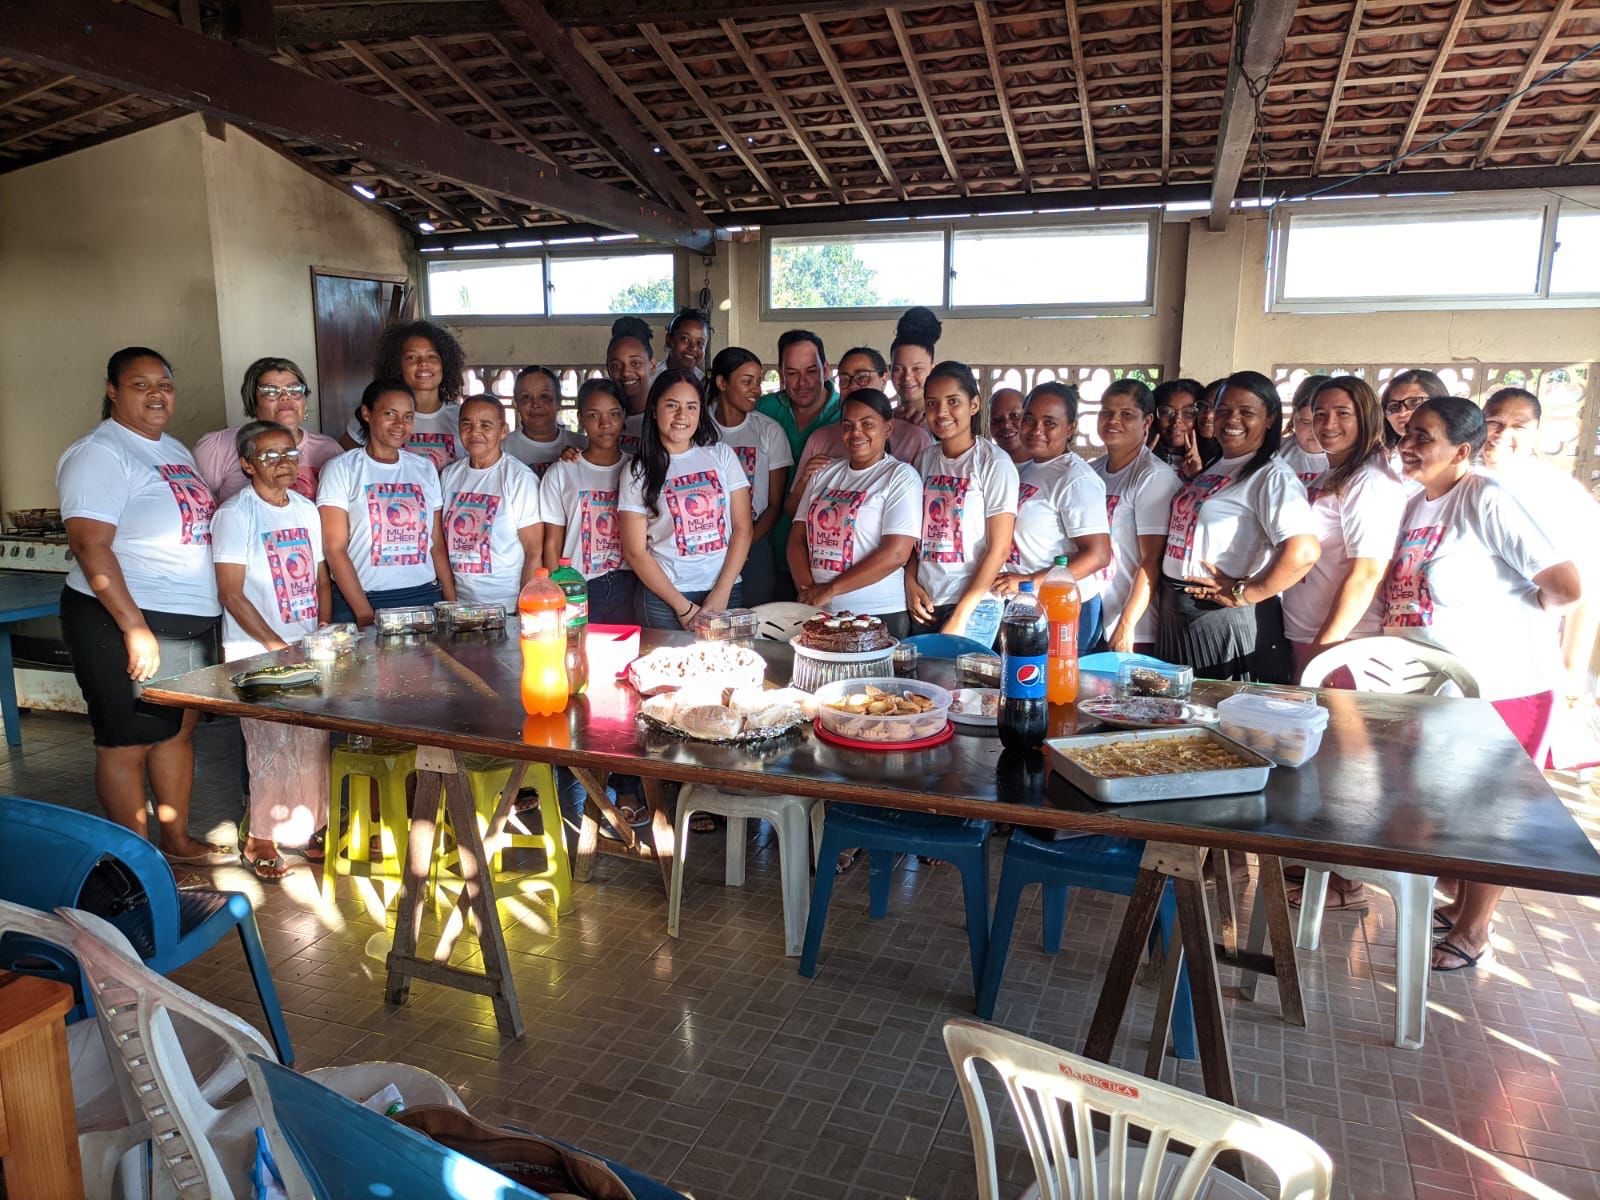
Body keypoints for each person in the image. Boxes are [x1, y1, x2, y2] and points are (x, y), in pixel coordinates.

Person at [1379, 397, 1581, 971]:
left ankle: (1474, 930)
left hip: (1505, 686)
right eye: (1407, 435)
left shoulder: (1485, 499)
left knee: (1491, 812)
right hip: (1441, 691)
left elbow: (1565, 586)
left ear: (1461, 450)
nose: (1407, 445)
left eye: (1424, 437)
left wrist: (1510, 621)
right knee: (1451, 805)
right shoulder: (1417, 504)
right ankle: (1460, 905)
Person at [57, 347, 231, 864]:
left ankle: (176, 842)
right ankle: (134, 863)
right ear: (112, 391)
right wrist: (134, 628)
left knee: (177, 732)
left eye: (165, 385)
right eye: (141, 384)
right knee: (125, 741)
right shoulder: (99, 452)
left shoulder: (172, 448)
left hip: (186, 617)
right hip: (122, 617)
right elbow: (89, 544)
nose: (157, 394)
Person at [212, 420, 332, 880]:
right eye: (269, 455)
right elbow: (231, 592)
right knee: (268, 745)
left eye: (289, 453)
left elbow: (320, 577)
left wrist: (320, 631)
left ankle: (313, 828)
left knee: (312, 740)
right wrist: (276, 647)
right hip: (256, 651)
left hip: (304, 645)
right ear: (247, 465)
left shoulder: (305, 508)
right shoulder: (235, 514)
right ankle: (260, 837)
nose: (284, 463)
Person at [1158, 370, 1319, 682]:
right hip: (1179, 611)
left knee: (1220, 708)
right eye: (1223, 409)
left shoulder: (1271, 476)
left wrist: (1246, 593)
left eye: (1247, 412)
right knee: (1183, 707)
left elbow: (1303, 552)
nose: (1232, 419)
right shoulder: (1219, 466)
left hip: (1223, 616)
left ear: (1269, 419)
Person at [1481, 385, 1600, 709]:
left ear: (1535, 433)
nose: (1502, 434)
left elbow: (1586, 586)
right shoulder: (1459, 479)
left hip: (1526, 655)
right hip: (1466, 649)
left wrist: (1571, 669)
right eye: (1494, 422)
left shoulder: (1557, 492)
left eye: (1518, 426)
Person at [1281, 377, 1408, 678]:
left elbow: (1368, 574)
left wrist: (1322, 654)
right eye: (1320, 414)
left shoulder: (1368, 481)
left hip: (1343, 641)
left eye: (1342, 413)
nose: (1328, 423)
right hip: (1310, 630)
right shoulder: (1334, 473)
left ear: (1366, 417)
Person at [620, 369, 752, 629]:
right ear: (654, 410)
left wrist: (722, 591)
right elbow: (635, 551)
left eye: (691, 407)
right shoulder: (637, 470)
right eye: (672, 405)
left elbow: (743, 528)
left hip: (725, 590)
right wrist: (683, 608)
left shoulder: (721, 455)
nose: (682, 415)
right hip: (664, 599)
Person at [318, 379, 454, 626]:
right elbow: (334, 548)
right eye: (390, 414)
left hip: (423, 597)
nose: (400, 424)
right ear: (366, 413)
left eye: (408, 416)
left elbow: (436, 543)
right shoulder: (342, 469)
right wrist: (364, 614)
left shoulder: (424, 469)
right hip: (362, 600)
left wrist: (451, 604)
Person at [787, 389, 921, 638]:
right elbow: (796, 539)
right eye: (848, 426)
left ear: (888, 428)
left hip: (877, 612)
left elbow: (896, 553)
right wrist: (810, 593)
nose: (856, 432)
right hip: (821, 611)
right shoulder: (823, 473)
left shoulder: (900, 477)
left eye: (867, 424)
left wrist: (829, 590)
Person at [994, 383, 1111, 649]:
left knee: (1056, 675)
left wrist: (1029, 582)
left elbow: (1098, 555)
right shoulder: (1027, 469)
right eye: (1029, 419)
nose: (1036, 430)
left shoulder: (1075, 478)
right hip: (1026, 603)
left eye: (1050, 423)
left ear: (1070, 428)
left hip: (1062, 606)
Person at [907, 361, 1019, 636]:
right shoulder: (924, 459)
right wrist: (910, 582)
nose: (941, 412)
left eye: (953, 401)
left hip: (975, 605)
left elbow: (999, 548)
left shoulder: (993, 463)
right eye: (932, 403)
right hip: (926, 600)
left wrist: (960, 616)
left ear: (974, 405)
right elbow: (913, 534)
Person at [785, 348, 934, 522]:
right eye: (844, 379)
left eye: (862, 377)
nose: (853, 385)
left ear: (884, 379)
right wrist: (805, 481)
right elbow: (794, 512)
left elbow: (927, 510)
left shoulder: (914, 437)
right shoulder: (820, 438)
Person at [1091, 378, 1181, 654]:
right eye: (1107, 412)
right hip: (1093, 617)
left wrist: (1126, 624)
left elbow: (1151, 559)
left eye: (1126, 414)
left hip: (1134, 627)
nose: (1113, 420)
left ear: (1147, 421)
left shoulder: (1152, 476)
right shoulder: (1092, 471)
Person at [541, 379, 638, 623]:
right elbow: (552, 542)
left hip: (631, 582)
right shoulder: (562, 472)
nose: (605, 424)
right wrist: (556, 591)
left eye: (614, 414)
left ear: (624, 416)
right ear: (581, 418)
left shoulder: (637, 469)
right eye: (594, 415)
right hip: (578, 584)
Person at [758, 330, 841, 598]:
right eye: (792, 373)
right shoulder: (763, 410)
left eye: (811, 371)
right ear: (781, 374)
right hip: (766, 550)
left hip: (826, 561)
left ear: (825, 369)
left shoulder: (848, 414)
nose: (802, 382)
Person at [440, 396, 544, 606]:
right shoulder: (449, 475)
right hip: (460, 603)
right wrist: (452, 602)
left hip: (506, 603)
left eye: (485, 425)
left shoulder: (519, 478)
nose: (475, 432)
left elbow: (533, 551)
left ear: (503, 430)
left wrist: (523, 609)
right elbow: (440, 542)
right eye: (467, 424)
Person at [707, 348, 791, 607]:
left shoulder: (769, 431)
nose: (756, 389)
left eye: (758, 382)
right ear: (722, 383)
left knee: (755, 616)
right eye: (747, 381)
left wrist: (744, 545)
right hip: (707, 543)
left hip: (755, 542)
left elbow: (775, 505)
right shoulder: (700, 428)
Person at [193, 357, 342, 503]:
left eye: (294, 390)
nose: (285, 397)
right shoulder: (219, 446)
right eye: (271, 391)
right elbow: (196, 506)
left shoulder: (328, 448)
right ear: (253, 402)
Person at [340, 320, 468, 471]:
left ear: (444, 364)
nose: (423, 363)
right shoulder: (376, 413)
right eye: (412, 357)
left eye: (432, 356)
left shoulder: (461, 418)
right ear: (397, 365)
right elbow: (344, 461)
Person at [504, 366, 586, 477]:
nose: (535, 404)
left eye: (544, 396)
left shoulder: (583, 446)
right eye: (526, 397)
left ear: (558, 402)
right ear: (516, 404)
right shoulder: (502, 450)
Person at [1379, 368, 1448, 472]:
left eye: (1415, 403)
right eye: (1394, 406)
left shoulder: (1456, 458)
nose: (1402, 413)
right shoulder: (1379, 460)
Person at [607, 316, 656, 457]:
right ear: (608, 369)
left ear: (652, 366)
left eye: (635, 363)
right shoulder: (604, 418)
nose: (626, 372)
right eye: (616, 366)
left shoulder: (662, 417)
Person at [1149, 378, 1216, 481]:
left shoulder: (1215, 461)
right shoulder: (1141, 456)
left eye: (1188, 412)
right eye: (1166, 412)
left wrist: (1197, 475)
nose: (1176, 421)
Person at [889, 307, 941, 428]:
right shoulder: (884, 421)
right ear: (889, 370)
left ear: (932, 370)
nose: (907, 377)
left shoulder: (944, 422)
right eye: (898, 369)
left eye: (917, 369)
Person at [1279, 374, 1329, 485]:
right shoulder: (1276, 453)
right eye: (1306, 422)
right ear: (1293, 418)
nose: (1314, 431)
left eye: (1322, 422)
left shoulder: (1350, 459)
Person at [662, 307, 710, 377]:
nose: (693, 348)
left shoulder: (703, 381)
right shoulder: (650, 377)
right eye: (685, 339)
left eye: (700, 343)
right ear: (669, 340)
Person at [989, 386, 1028, 464]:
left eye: (1014, 416)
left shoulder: (1048, 466)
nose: (1006, 425)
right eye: (996, 419)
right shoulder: (983, 465)